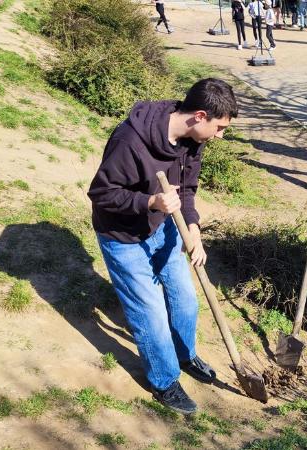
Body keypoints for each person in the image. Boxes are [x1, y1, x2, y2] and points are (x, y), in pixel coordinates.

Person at [88, 78, 239, 414]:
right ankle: (164, 379)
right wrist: (151, 201)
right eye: (219, 128)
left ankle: (184, 355)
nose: (220, 135)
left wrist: (194, 230)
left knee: (186, 301)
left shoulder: (191, 140)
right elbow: (101, 193)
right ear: (200, 116)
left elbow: (186, 189)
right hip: (123, 235)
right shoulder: (129, 140)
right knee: (150, 314)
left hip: (164, 227)